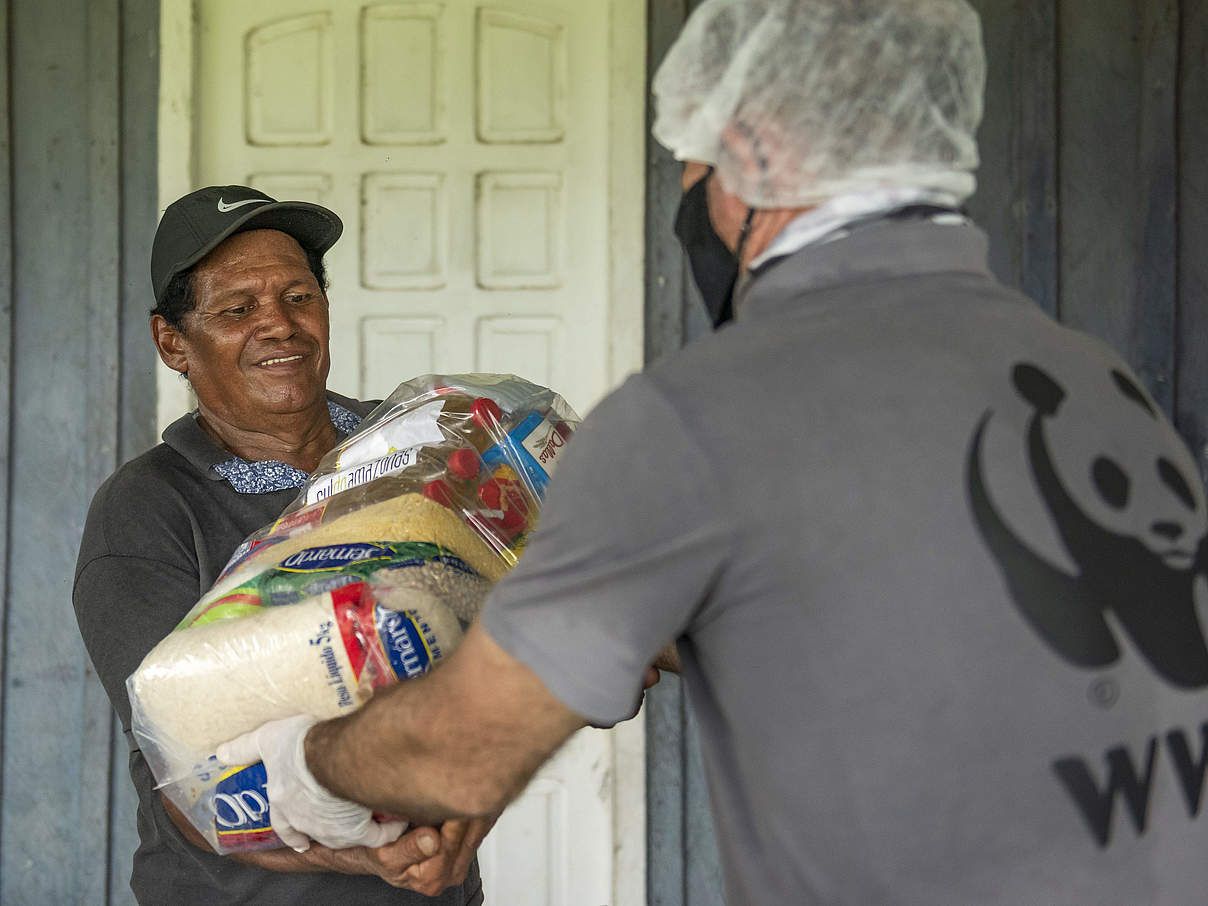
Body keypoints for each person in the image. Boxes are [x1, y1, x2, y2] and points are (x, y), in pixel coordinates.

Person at [218, 1, 1208, 903]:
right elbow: (897, 616)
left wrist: (300, 766)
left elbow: (460, 753)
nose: (688, 193)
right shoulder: (1092, 381)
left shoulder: (697, 418)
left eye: (690, 165)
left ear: (751, 151)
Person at [72, 184, 486, 904]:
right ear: (173, 342)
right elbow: (190, 777)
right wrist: (371, 858)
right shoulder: (145, 512)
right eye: (237, 309)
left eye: (298, 296)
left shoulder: (416, 452)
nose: (279, 327)